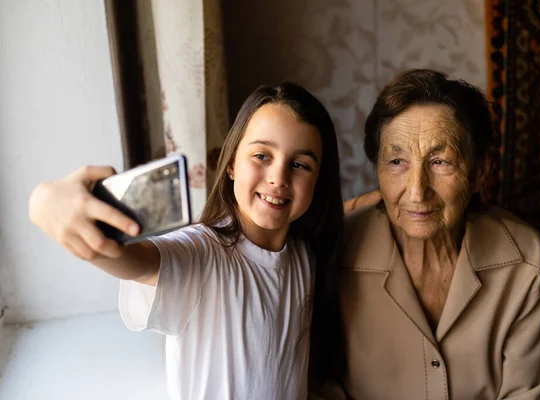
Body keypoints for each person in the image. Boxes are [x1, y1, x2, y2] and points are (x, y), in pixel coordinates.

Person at [29, 82, 345, 400]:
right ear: (232, 163)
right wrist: (43, 204)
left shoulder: (305, 254)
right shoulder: (201, 253)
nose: (278, 178)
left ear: (318, 180)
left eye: (300, 164)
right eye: (262, 155)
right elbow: (133, 262)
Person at [322, 69, 540, 399]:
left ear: (480, 172)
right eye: (397, 161)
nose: (417, 191)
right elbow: (317, 386)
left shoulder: (526, 264)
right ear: (377, 170)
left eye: (440, 161)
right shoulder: (334, 251)